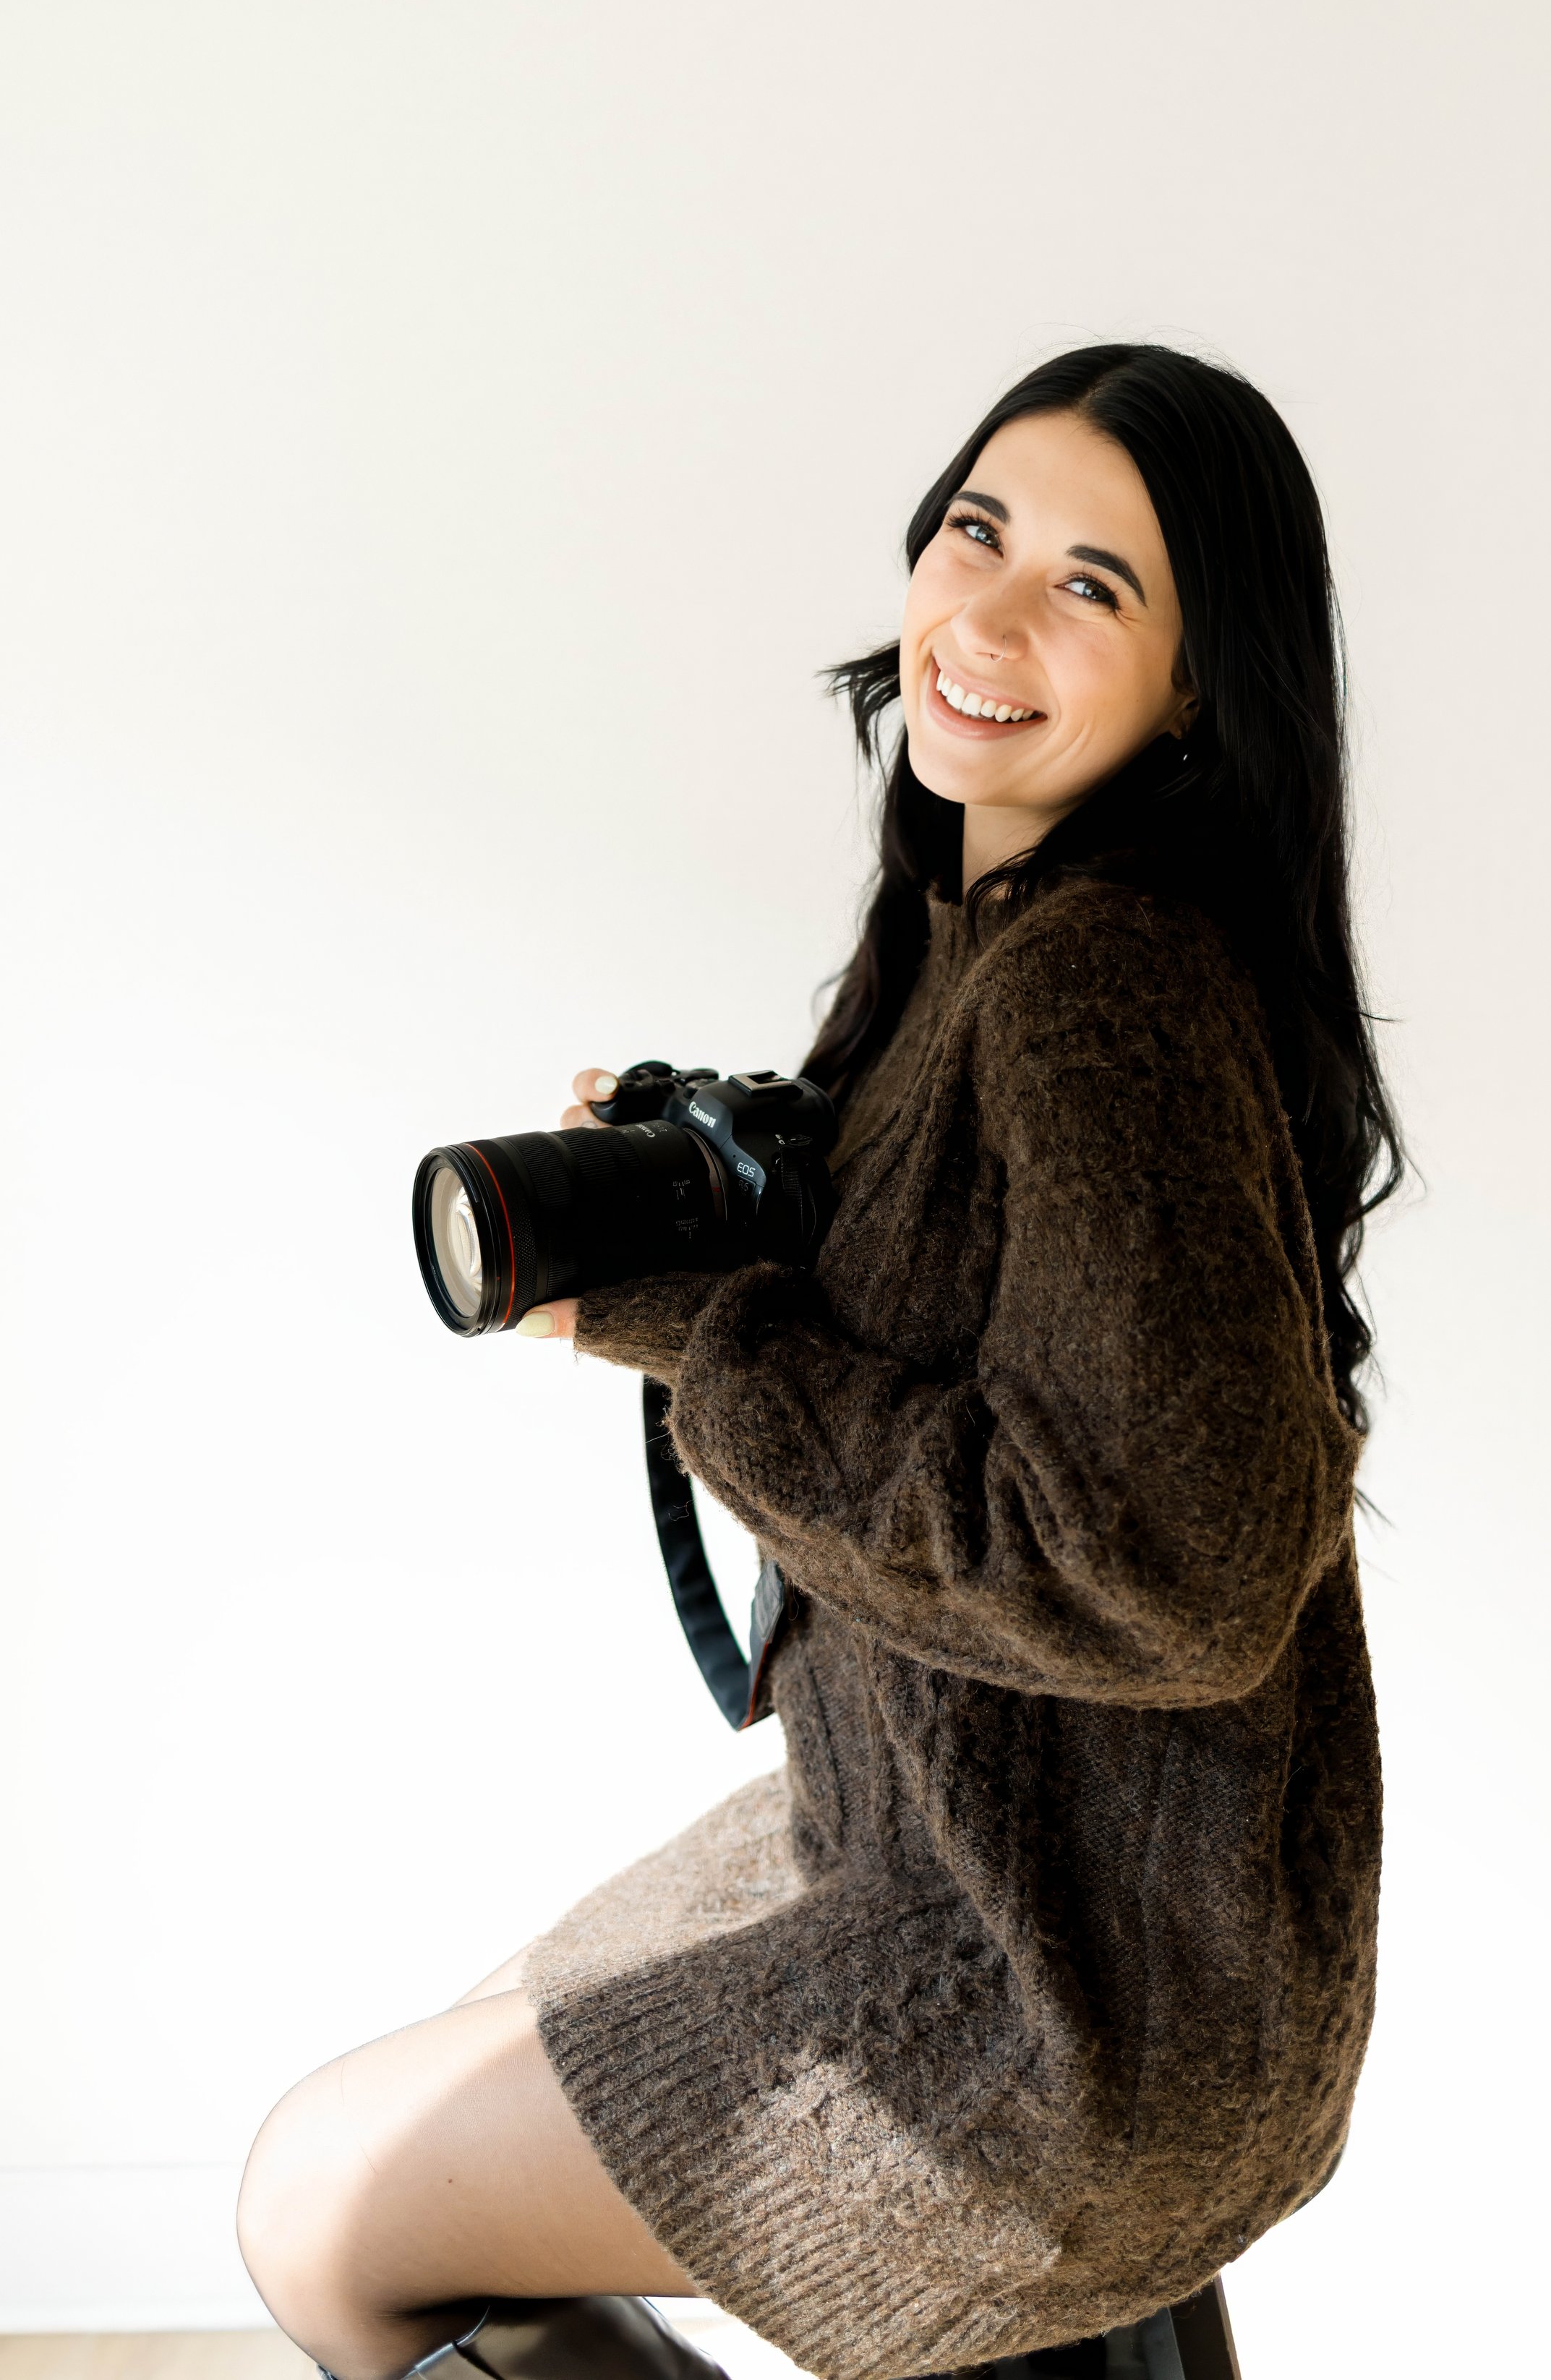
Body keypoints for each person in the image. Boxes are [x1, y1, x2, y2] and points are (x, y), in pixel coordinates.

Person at [238, 343, 1401, 2380]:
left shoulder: (1097, 980)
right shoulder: (983, 938)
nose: (989, 616)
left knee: (328, 2208)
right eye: (976, 534)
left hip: (1054, 1986)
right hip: (1036, 1882)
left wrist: (695, 1328)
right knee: (435, 2104)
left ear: (1198, 688)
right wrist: (715, 1221)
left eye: (1092, 585)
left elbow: (1172, 1573)